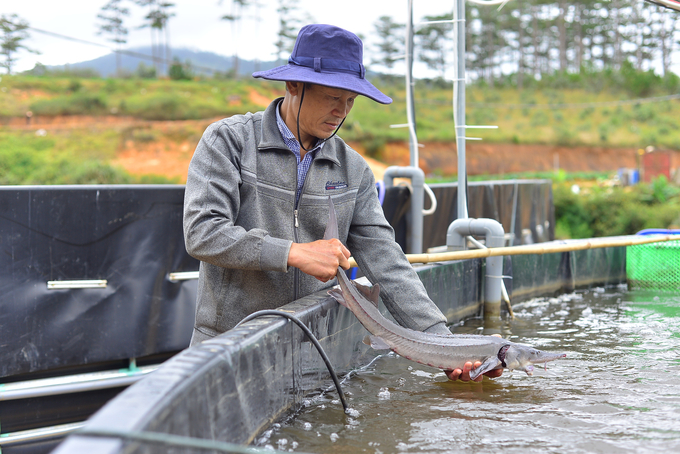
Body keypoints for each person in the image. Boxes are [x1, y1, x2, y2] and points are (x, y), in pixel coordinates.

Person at [183, 24, 501, 382]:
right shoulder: (229, 142)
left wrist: (444, 345)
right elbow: (203, 232)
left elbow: (387, 261)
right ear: (293, 86)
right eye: (333, 97)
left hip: (310, 354)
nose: (341, 111)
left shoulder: (353, 169)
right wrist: (292, 252)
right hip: (227, 351)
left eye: (350, 101)